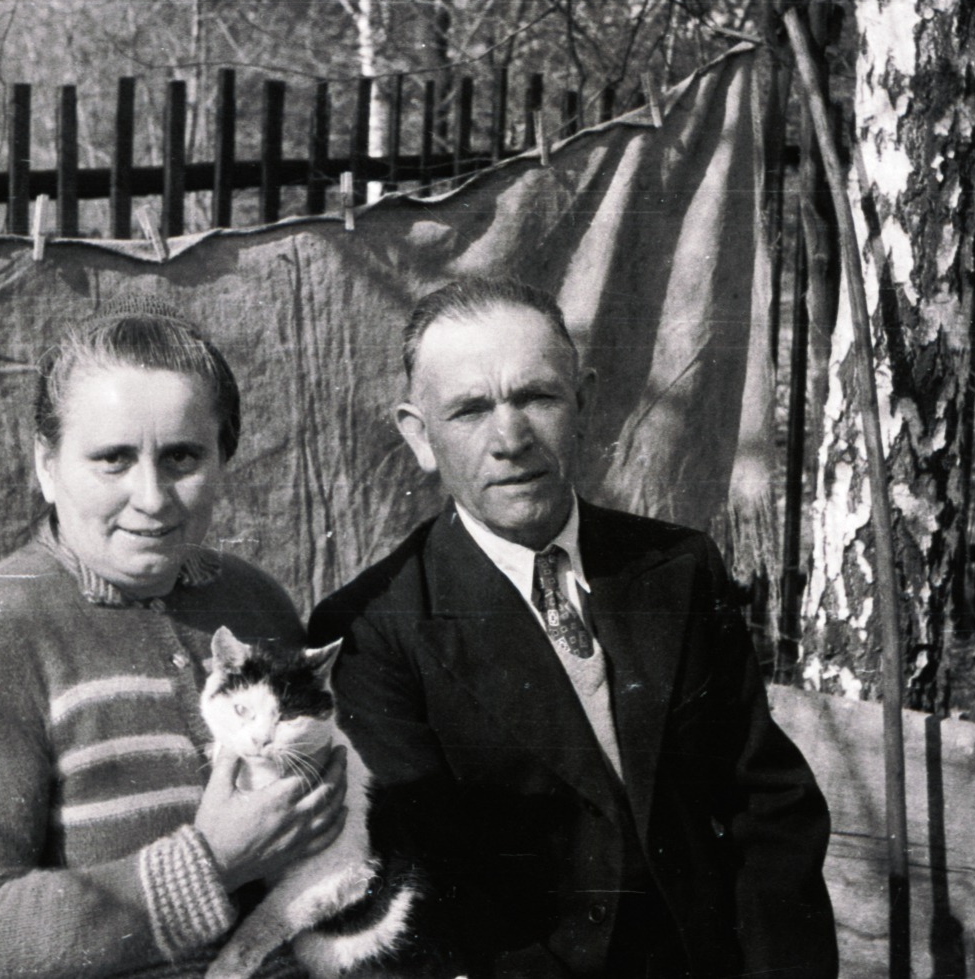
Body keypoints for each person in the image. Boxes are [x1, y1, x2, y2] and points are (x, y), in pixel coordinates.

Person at [308, 278, 837, 979]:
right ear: (419, 436)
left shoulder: (678, 568)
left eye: (537, 397)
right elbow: (424, 892)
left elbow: (766, 808)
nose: (510, 438)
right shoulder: (374, 627)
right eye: (469, 409)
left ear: (582, 401)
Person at [0, 309, 349, 979]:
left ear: (224, 458)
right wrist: (209, 863)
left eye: (182, 456)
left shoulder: (252, 603)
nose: (151, 497)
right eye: (112, 459)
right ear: (47, 465)